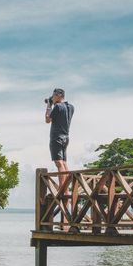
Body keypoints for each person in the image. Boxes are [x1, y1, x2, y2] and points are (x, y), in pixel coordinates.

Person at [45, 88, 74, 227]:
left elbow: (47, 120)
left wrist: (48, 105)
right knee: (64, 162)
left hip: (56, 137)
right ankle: (67, 187)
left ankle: (63, 188)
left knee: (58, 163)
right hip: (66, 137)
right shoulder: (71, 107)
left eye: (53, 96)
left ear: (58, 95)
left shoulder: (57, 106)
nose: (52, 98)